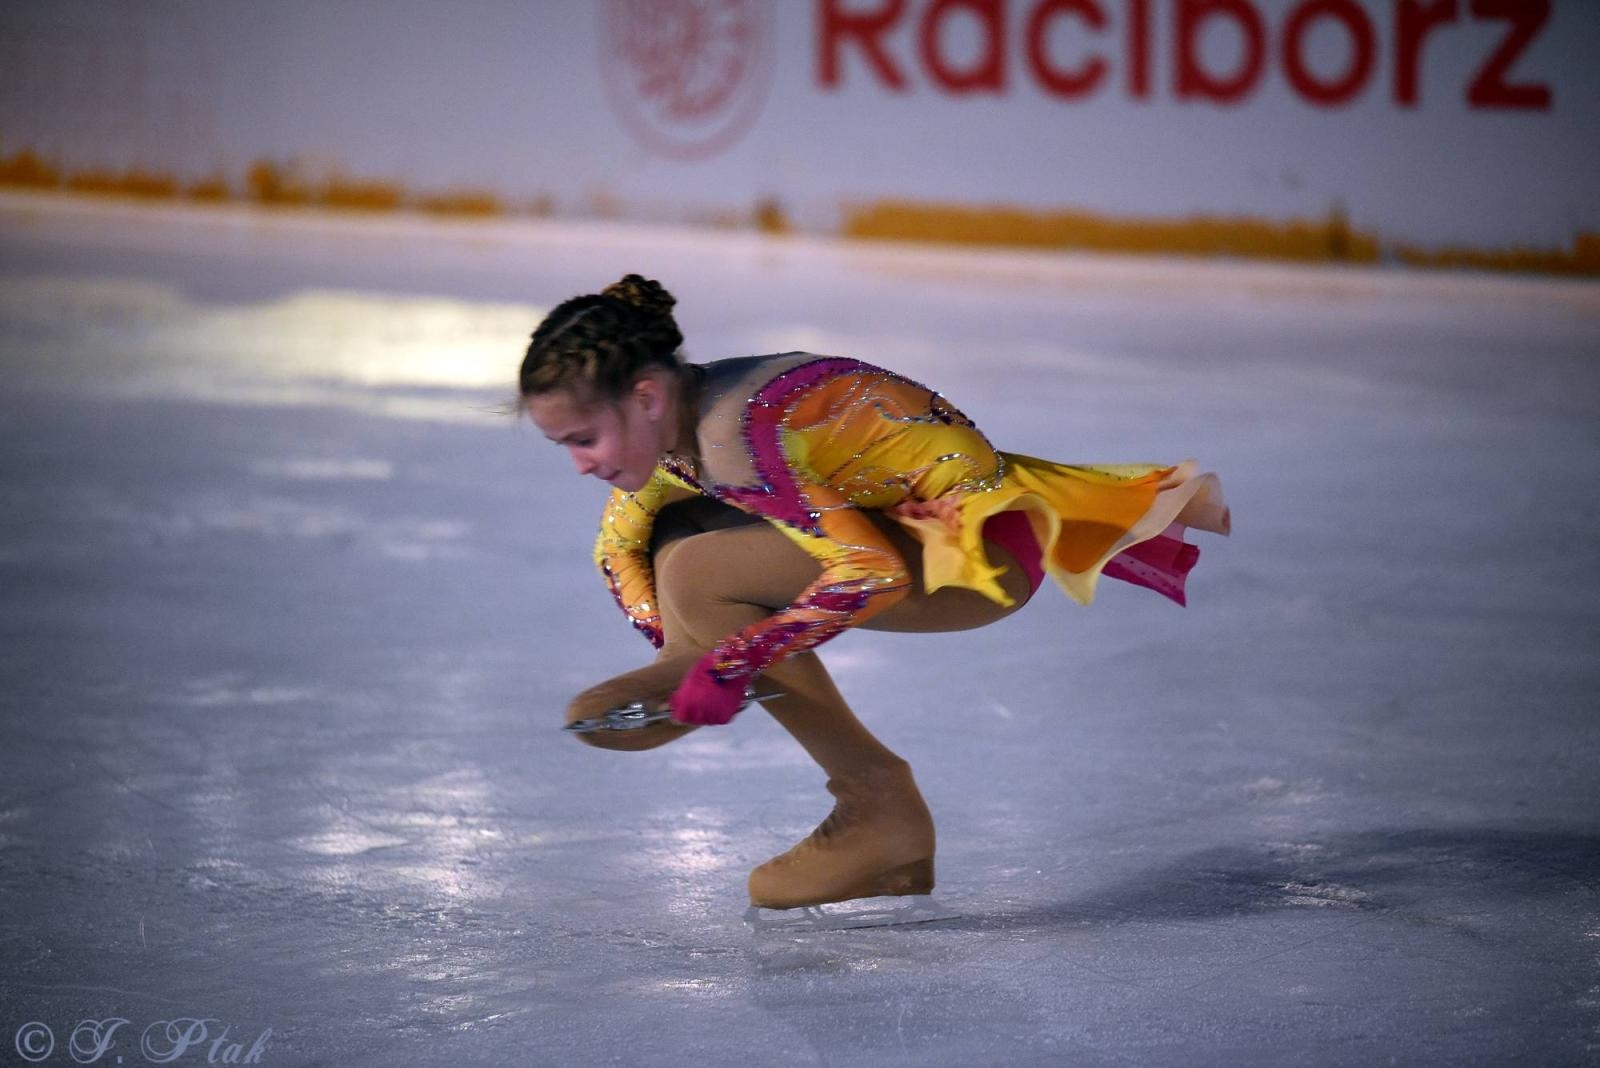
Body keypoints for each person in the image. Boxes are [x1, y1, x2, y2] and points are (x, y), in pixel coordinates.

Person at [519, 274, 1229, 913]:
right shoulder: (681, 425)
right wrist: (675, 652)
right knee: (672, 538)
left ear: (645, 398)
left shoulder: (735, 438)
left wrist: (731, 663)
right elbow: (616, 550)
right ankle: (865, 805)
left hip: (975, 555)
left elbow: (870, 573)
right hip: (910, 529)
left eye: (584, 439)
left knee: (700, 572)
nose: (580, 465)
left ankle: (876, 804)